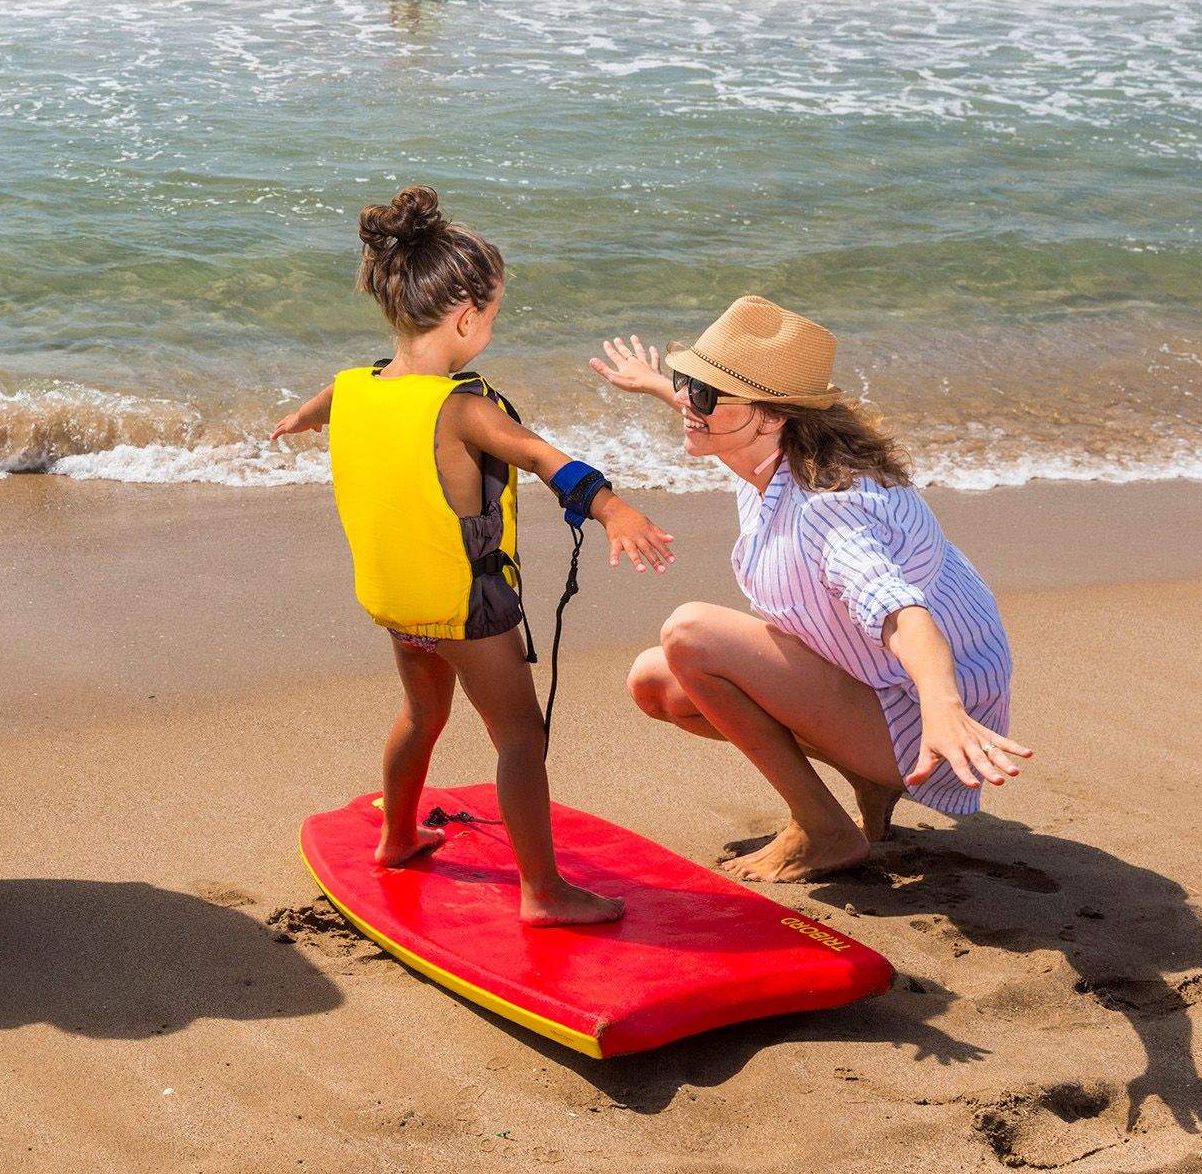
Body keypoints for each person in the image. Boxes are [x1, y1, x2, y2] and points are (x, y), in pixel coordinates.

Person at [272, 187, 675, 926]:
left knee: (421, 714)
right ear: (466, 317)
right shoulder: (462, 407)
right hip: (467, 609)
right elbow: (549, 461)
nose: (491, 324)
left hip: (397, 602)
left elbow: (331, 397)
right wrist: (614, 508)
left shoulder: (361, 386)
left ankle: (396, 837)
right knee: (520, 735)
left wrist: (300, 416)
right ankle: (544, 893)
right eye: (492, 313)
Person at [591, 297, 1031, 883]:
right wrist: (657, 385)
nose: (688, 404)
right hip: (883, 686)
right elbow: (730, 413)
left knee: (689, 634)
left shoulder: (831, 510)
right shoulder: (779, 451)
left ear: (773, 416)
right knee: (658, 684)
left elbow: (899, 610)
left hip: (929, 723)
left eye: (702, 393)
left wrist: (941, 706)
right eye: (687, 382)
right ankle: (865, 783)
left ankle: (822, 828)